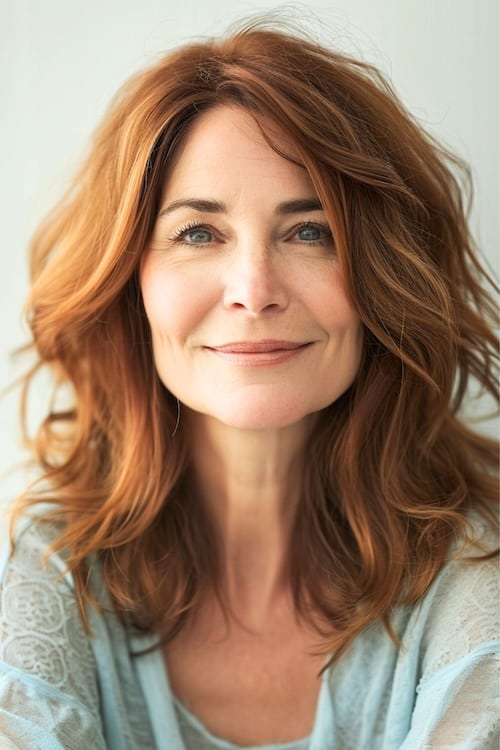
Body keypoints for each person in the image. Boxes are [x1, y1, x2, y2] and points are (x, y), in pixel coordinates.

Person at [0, 20, 498, 750]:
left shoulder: (474, 571)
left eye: (310, 231)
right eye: (199, 233)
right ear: (128, 281)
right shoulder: (47, 579)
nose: (254, 290)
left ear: (384, 276)